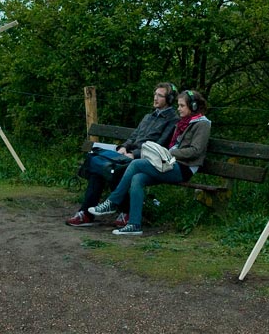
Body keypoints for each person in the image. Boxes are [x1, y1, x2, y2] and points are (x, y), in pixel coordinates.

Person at [88, 90, 211, 236]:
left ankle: (112, 202)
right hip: (170, 163)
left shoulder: (202, 124)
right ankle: (134, 224)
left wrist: (169, 153)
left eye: (182, 106)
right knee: (137, 178)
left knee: (136, 164)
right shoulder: (184, 122)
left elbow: (195, 150)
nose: (178, 109)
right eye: (178, 105)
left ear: (194, 106)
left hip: (184, 168)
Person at [66, 82, 179, 228]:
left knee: (111, 170)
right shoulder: (148, 117)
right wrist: (124, 148)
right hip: (129, 155)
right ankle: (87, 213)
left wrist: (134, 154)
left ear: (169, 99)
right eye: (155, 94)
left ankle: (124, 212)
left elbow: (160, 145)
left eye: (160, 96)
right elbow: (133, 137)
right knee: (98, 166)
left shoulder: (172, 120)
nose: (155, 98)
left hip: (146, 159)